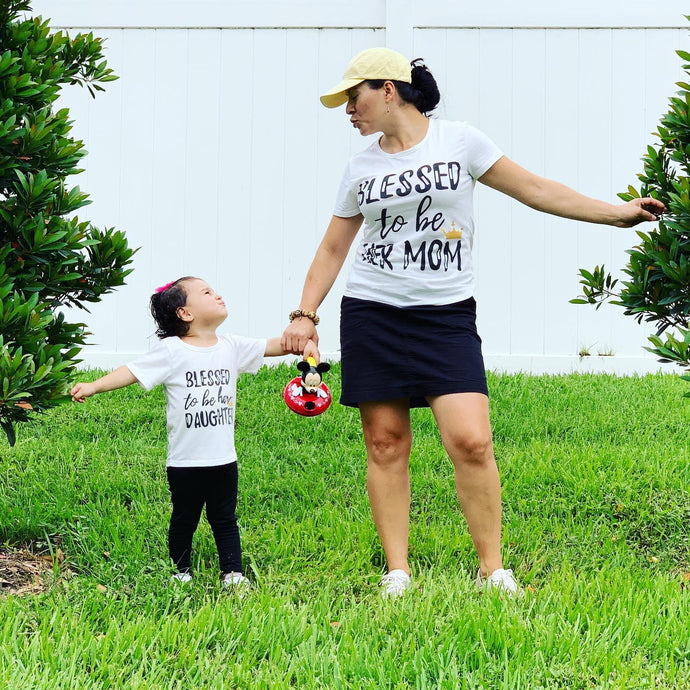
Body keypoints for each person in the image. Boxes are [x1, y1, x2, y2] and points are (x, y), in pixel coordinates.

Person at [280, 47, 665, 597]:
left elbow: (535, 190)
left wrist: (616, 212)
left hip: (445, 316)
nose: (348, 109)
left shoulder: (460, 141)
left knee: (472, 441)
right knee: (386, 442)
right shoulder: (361, 165)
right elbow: (334, 245)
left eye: (354, 96)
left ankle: (493, 569)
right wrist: (304, 313)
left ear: (389, 89)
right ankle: (397, 571)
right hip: (373, 313)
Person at [71, 276, 318, 588]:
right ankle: (180, 571)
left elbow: (277, 346)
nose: (217, 295)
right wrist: (93, 386)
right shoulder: (171, 351)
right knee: (184, 520)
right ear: (185, 313)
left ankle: (233, 573)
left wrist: (306, 345)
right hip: (185, 461)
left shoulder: (232, 346)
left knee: (225, 518)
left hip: (224, 459)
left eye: (214, 290)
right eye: (206, 292)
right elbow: (131, 372)